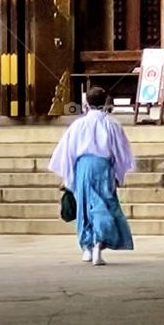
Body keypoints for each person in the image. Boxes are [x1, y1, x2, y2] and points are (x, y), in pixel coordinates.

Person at [49, 85, 136, 265]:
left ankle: (86, 248)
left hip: (83, 168)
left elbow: (67, 152)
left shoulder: (78, 125)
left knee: (84, 206)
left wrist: (68, 177)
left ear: (86, 103)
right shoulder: (112, 124)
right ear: (106, 102)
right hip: (103, 168)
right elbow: (121, 152)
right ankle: (98, 244)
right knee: (104, 204)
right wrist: (119, 173)